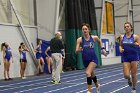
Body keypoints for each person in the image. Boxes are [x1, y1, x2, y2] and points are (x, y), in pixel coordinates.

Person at [75, 23, 107, 93]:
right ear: (82, 31)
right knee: (92, 74)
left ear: (89, 30)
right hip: (85, 60)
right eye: (83, 29)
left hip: (93, 59)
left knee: (87, 72)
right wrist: (79, 50)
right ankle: (97, 85)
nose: (84, 30)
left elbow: (99, 41)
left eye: (86, 29)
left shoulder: (94, 37)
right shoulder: (80, 39)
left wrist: (102, 49)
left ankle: (89, 91)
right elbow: (76, 51)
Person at [119, 22, 140, 93]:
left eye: (128, 26)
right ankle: (128, 79)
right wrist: (120, 49)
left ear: (131, 28)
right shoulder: (122, 37)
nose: (126, 28)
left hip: (134, 57)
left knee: (134, 75)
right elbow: (120, 45)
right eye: (125, 27)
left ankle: (134, 89)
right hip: (126, 57)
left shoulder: (135, 37)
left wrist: (137, 45)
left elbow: (139, 45)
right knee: (126, 75)